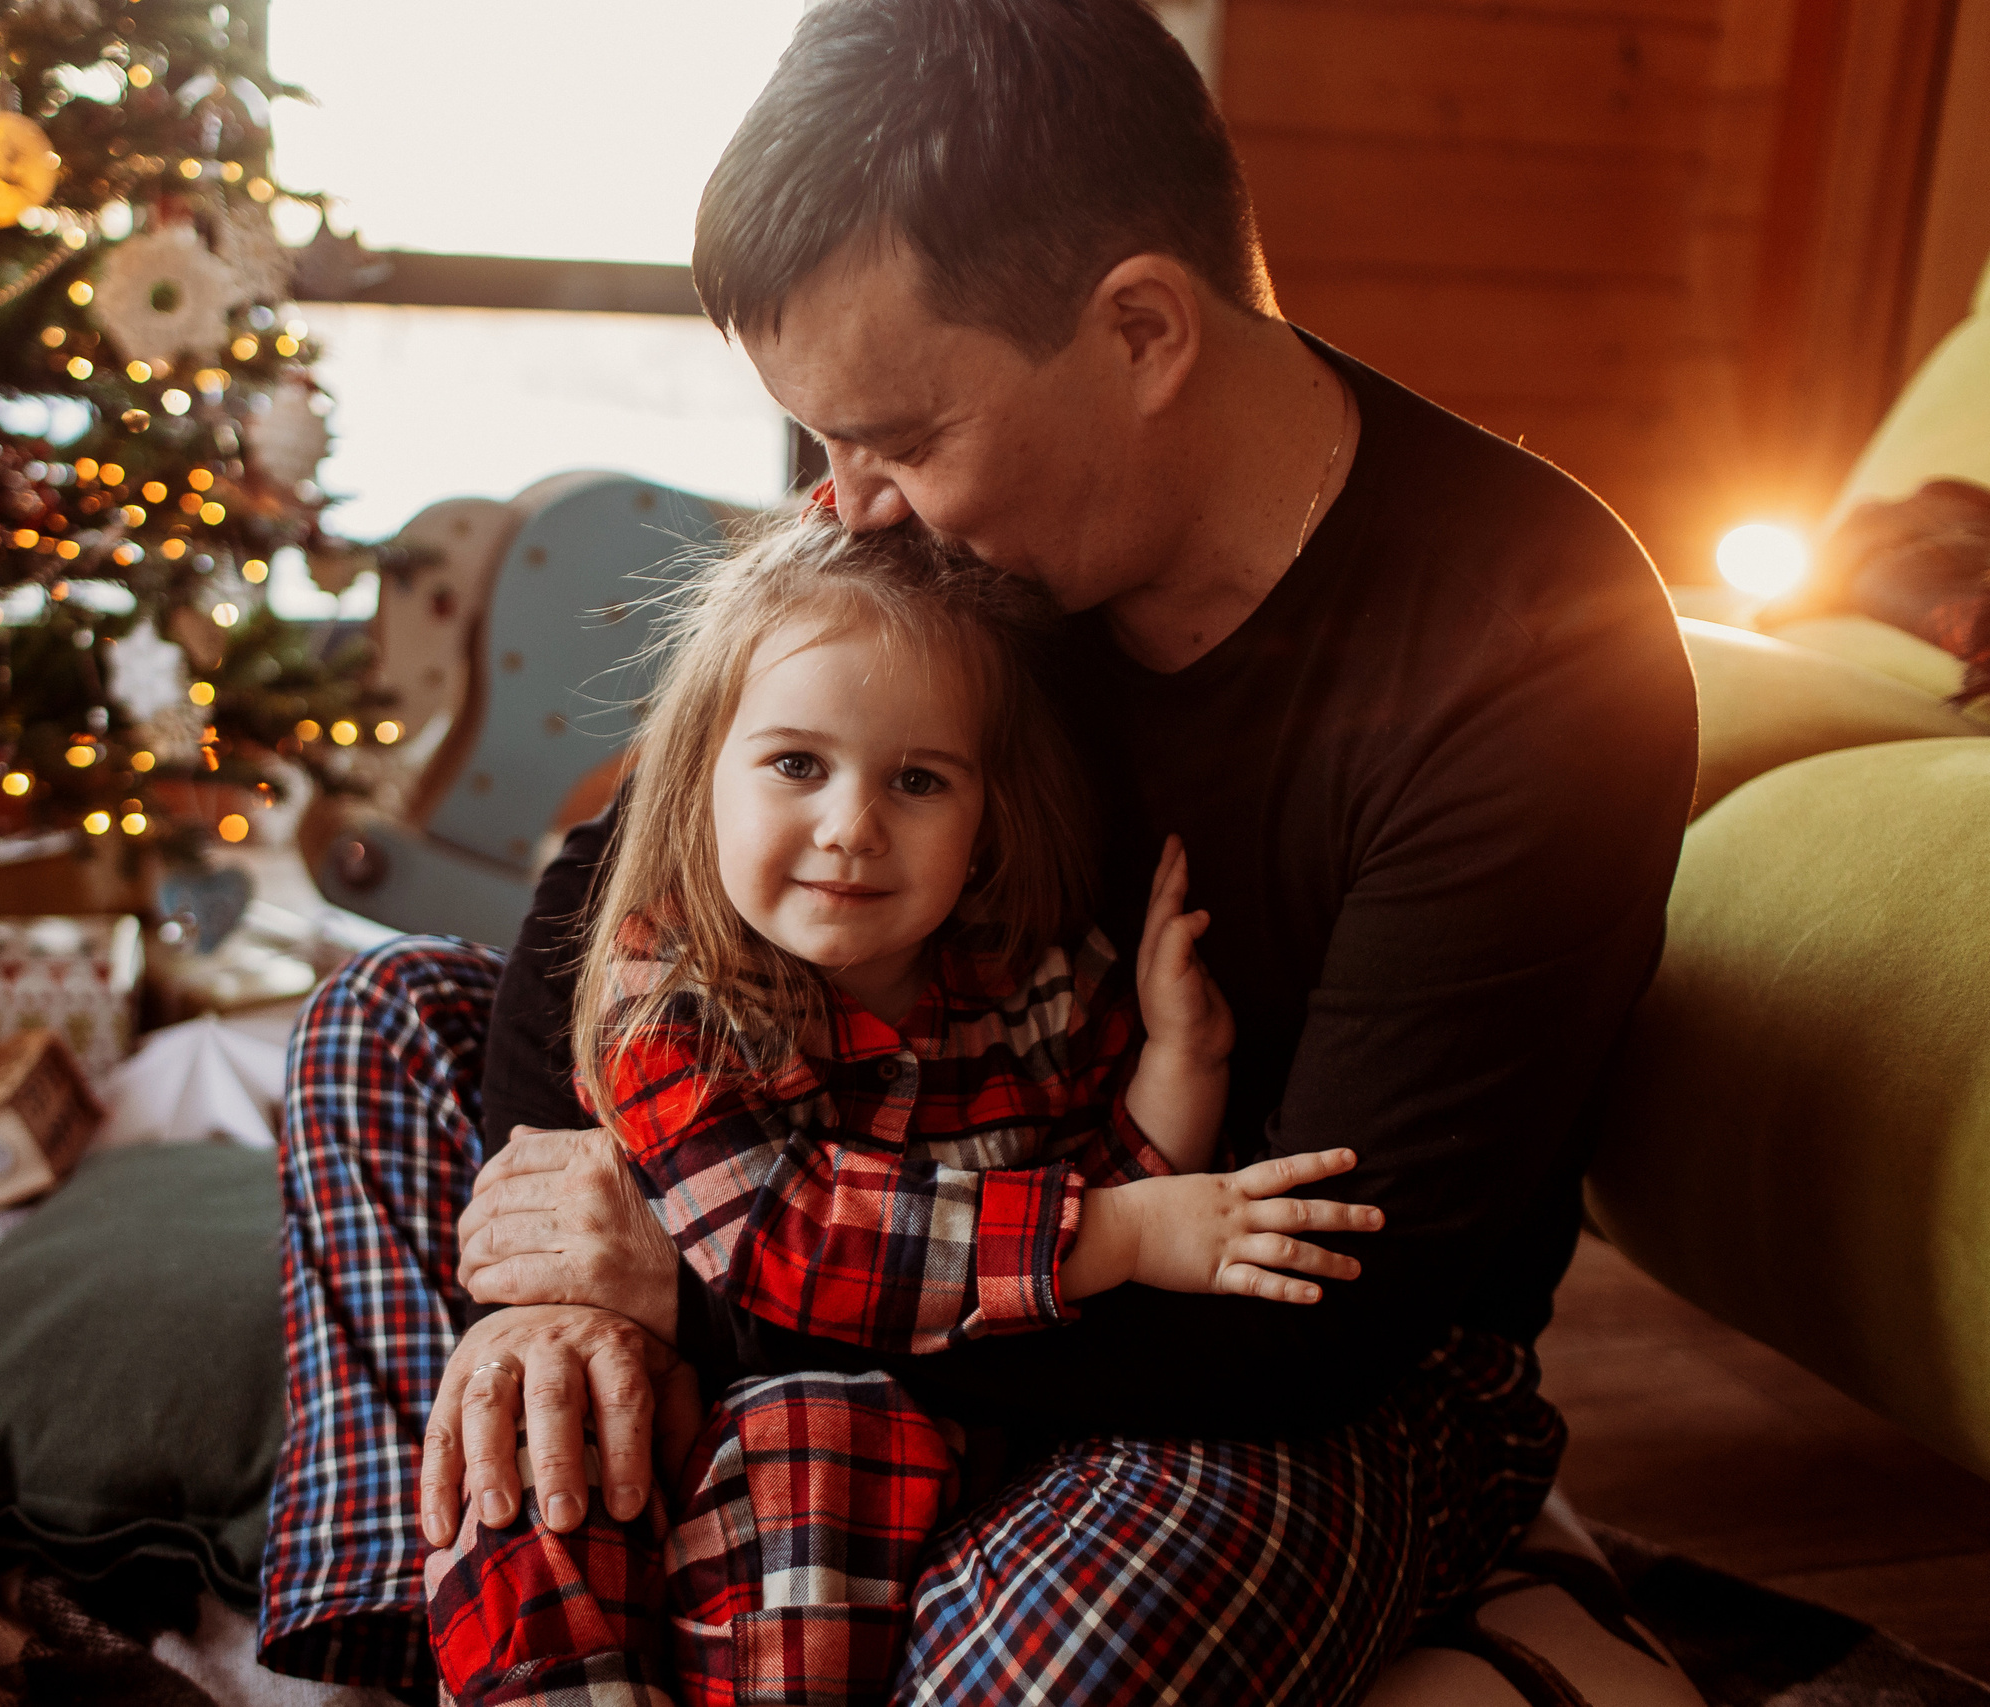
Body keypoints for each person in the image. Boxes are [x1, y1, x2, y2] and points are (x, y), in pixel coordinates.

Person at [259, 1, 1698, 1701]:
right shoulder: (934, 534)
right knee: (383, 1025)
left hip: (1241, 1354)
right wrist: (542, 1301)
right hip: (847, 1176)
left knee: (1066, 1640)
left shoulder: (1536, 656)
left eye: (899, 436)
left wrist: (707, 1292)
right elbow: (610, 881)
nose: (848, 502)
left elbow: (1321, 1321)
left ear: (1143, 328)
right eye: (825, 443)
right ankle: (427, 1616)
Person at [421, 515, 1388, 1703]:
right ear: (696, 784)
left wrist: (1180, 1063)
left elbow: (1099, 1174)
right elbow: (797, 1240)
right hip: (663, 1409)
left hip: (863, 1474)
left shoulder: (1027, 984)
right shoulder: (665, 1005)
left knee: (827, 1433)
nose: (851, 828)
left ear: (985, 820)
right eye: (794, 766)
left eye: (918, 781)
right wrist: (1130, 1237)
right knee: (528, 1435)